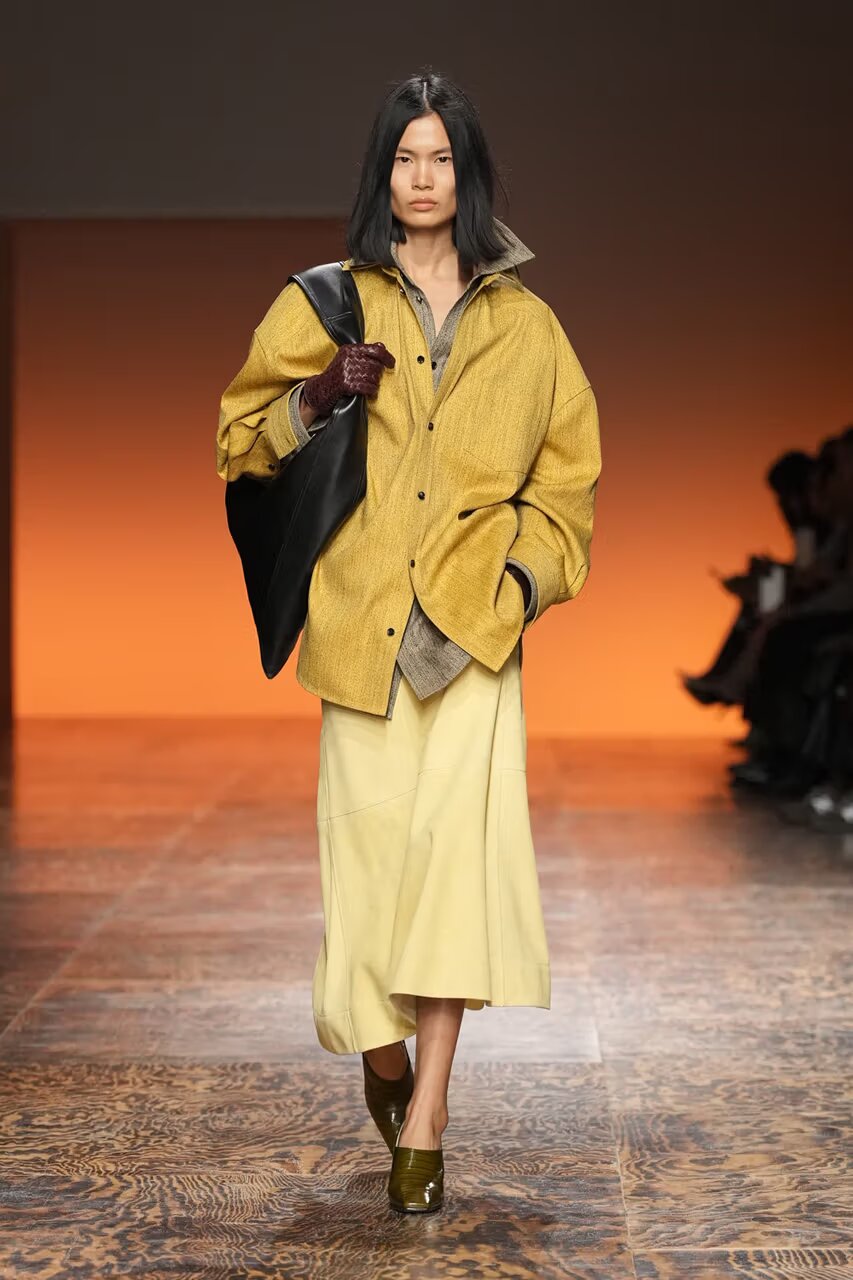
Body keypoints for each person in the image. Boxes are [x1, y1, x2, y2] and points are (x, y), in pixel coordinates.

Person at [216, 70, 601, 1214]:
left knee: (452, 880)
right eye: (404, 157)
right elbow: (238, 441)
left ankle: (425, 1114)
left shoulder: (528, 327)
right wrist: (318, 394)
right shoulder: (326, 302)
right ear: (380, 173)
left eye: (440, 157)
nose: (422, 178)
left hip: (472, 638)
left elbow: (568, 485)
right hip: (360, 632)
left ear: (467, 173)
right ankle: (382, 1060)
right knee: (370, 885)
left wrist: (519, 579)